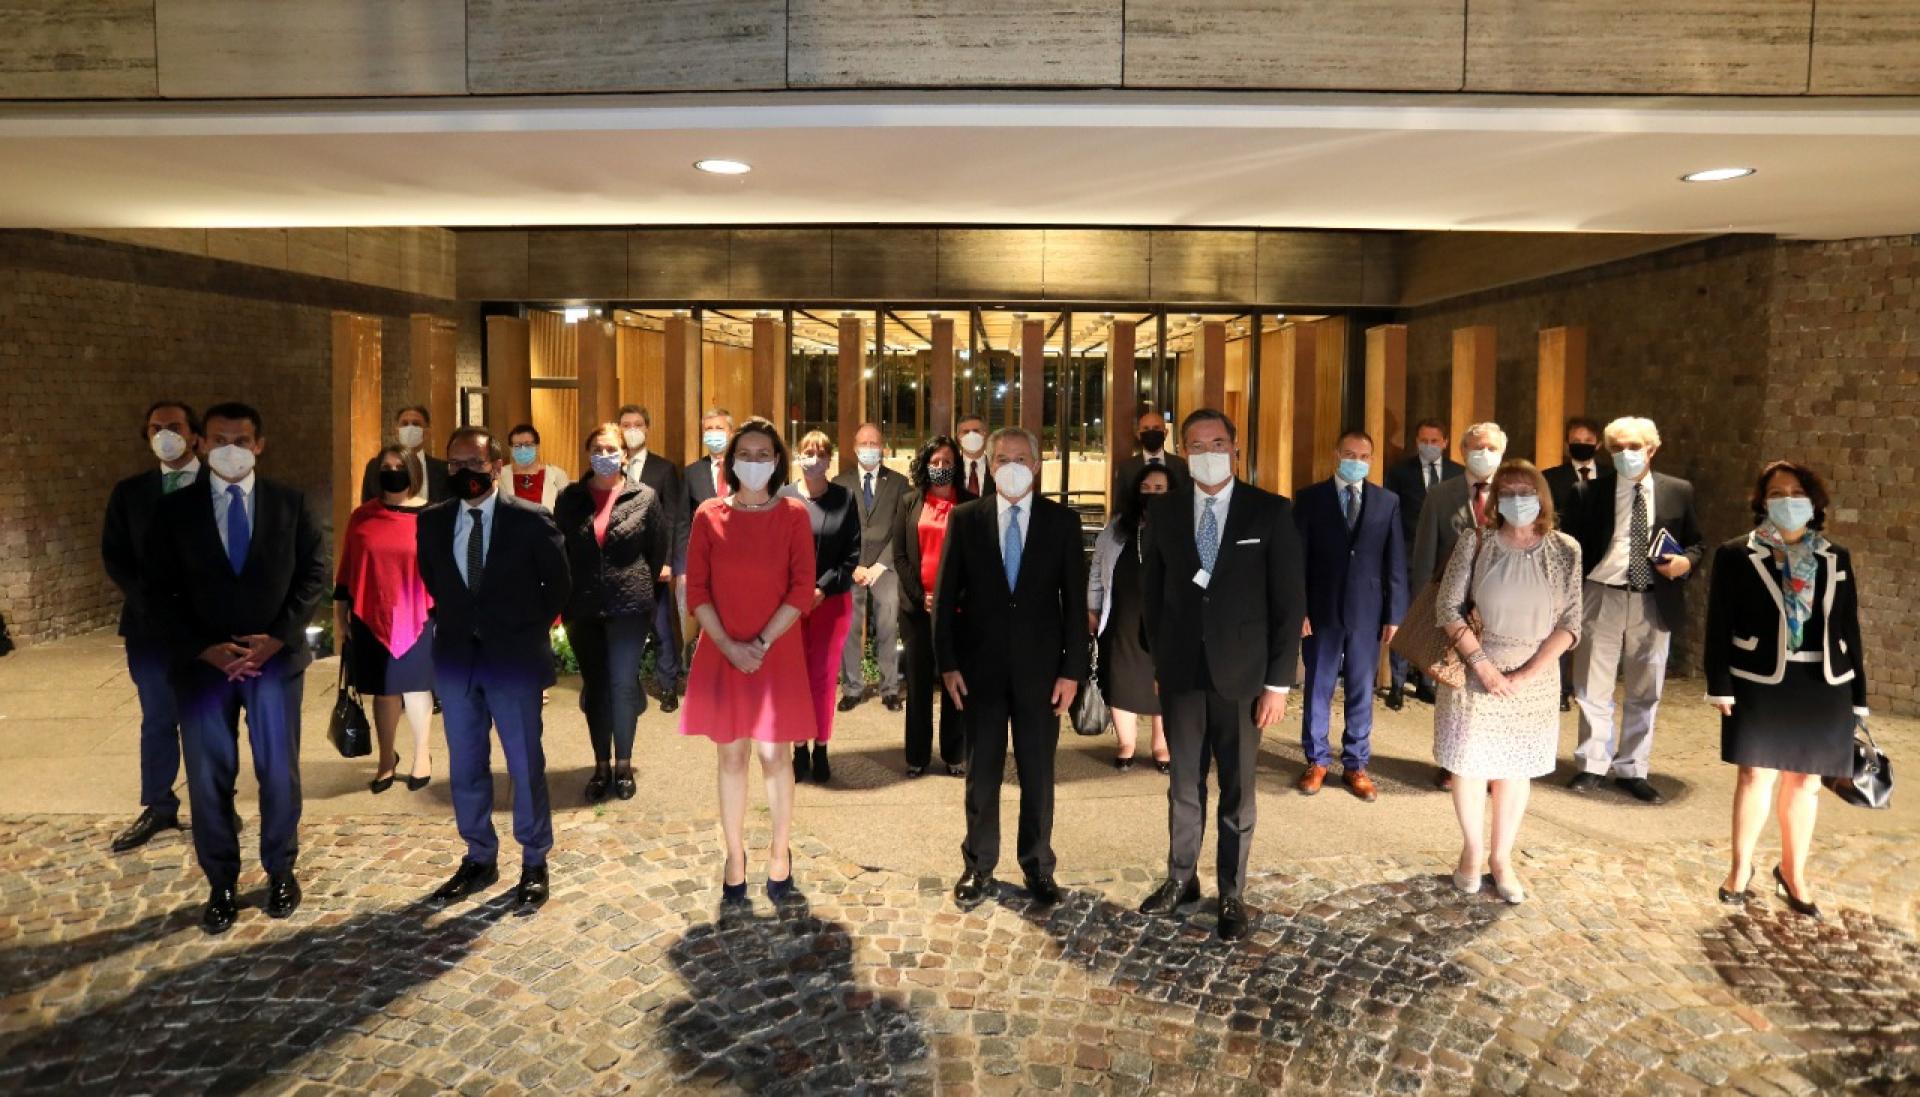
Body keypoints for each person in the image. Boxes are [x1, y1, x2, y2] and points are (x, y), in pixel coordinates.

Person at [145, 402, 327, 934]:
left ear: (259, 445)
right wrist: (201, 647)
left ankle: (280, 870)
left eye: (242, 440)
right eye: (220, 440)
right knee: (207, 776)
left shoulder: (290, 504)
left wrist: (279, 637)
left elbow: (314, 573)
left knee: (278, 771)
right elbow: (157, 591)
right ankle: (221, 880)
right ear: (201, 444)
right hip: (204, 667)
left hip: (273, 661)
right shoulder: (174, 512)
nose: (231, 450)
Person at [1137, 408, 1305, 942]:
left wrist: (1278, 683)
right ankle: (1180, 878)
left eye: (1216, 443)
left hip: (1245, 678)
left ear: (1235, 446)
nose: (1207, 453)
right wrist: (1160, 662)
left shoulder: (1270, 511)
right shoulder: (1163, 512)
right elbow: (1151, 596)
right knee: (1183, 783)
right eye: (1196, 445)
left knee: (1237, 786)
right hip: (1182, 673)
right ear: (1182, 452)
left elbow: (1289, 604)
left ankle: (1232, 891)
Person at [416, 426, 570, 916]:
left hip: (514, 660)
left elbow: (558, 587)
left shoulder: (531, 519)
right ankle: (479, 856)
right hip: (458, 660)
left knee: (524, 764)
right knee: (465, 765)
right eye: (455, 464)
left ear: (497, 467)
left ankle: (534, 860)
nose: (465, 472)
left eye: (475, 464)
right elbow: (433, 579)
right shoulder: (432, 522)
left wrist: (521, 631)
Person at [1706, 461, 1865, 921]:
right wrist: (1720, 685)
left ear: (1814, 501)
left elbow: (1849, 626)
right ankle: (1740, 869)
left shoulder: (1836, 556)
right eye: (1777, 493)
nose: (1788, 500)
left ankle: (1793, 872)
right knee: (1754, 776)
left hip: (1824, 684)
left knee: (1806, 782)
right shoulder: (1736, 554)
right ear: (1762, 501)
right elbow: (1719, 623)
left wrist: (1860, 696)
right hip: (1758, 679)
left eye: (1797, 492)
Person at [938, 427, 1089, 908]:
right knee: (981, 774)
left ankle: (1038, 865)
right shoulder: (966, 519)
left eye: (1022, 458)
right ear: (990, 465)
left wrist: (1072, 671)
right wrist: (947, 664)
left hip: (1042, 675)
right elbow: (945, 597)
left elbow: (1075, 603)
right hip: (978, 673)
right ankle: (978, 866)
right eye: (1003, 459)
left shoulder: (1062, 523)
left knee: (1038, 773)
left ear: (1037, 465)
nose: (1012, 466)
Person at [678, 417, 817, 905]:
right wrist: (730, 645)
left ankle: (779, 850)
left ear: (777, 462)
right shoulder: (708, 515)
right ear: (731, 461)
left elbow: (802, 588)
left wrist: (758, 642)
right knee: (732, 755)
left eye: (763, 455)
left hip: (776, 653)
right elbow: (697, 591)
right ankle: (734, 854)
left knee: (775, 756)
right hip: (723, 651)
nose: (754, 462)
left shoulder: (794, 514)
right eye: (745, 454)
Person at [1434, 460, 1582, 905]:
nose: (1518, 499)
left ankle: (1502, 858)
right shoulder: (1475, 541)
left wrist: (1528, 673)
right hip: (1476, 668)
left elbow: (1571, 622)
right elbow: (1447, 608)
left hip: (1535, 675)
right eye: (1509, 491)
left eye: (1526, 491)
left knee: (1516, 770)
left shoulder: (1566, 550)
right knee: (1470, 765)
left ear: (1542, 497)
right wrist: (1483, 667)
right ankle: (1472, 850)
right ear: (1496, 498)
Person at [1565, 416, 1704, 804]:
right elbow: (1569, 547)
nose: (1625, 454)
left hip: (1653, 598)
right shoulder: (1587, 492)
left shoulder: (1678, 491)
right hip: (1601, 593)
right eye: (1617, 448)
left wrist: (1686, 563)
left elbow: (1696, 543)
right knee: (1592, 685)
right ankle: (1592, 764)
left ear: (1652, 449)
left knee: (1646, 686)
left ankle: (1633, 768)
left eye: (1633, 447)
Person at [101, 400, 203, 852]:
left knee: (208, 718)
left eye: (174, 426)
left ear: (195, 434)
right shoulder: (130, 494)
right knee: (158, 717)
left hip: (207, 628)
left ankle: (214, 802)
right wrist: (151, 603)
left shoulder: (221, 485)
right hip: (150, 629)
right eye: (156, 428)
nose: (166, 435)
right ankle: (160, 805)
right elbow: (116, 556)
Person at [554, 424, 672, 804]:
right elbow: (560, 551)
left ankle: (623, 765)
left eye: (611, 448)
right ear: (588, 454)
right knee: (597, 686)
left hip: (630, 606)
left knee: (622, 684)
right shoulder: (570, 498)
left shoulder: (644, 497)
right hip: (582, 606)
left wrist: (639, 586)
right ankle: (601, 765)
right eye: (597, 448)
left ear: (624, 454)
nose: (604, 455)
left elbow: (656, 551)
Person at [1292, 430, 1408, 802]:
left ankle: (1356, 764)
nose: (1356, 461)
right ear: (1336, 454)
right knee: (1318, 686)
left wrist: (1395, 614)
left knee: (1361, 688)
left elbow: (1395, 562)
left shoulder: (1387, 502)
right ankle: (1316, 760)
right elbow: (1297, 560)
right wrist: (1298, 609)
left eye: (1363, 456)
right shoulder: (1310, 499)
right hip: (1321, 609)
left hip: (1367, 612)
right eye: (1349, 454)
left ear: (1371, 459)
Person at [1410, 421, 1507, 791]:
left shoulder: (1514, 493)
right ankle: (1453, 763)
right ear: (1464, 450)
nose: (1484, 454)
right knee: (1454, 691)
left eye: (1492, 448)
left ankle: (1494, 765)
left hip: (1500, 609)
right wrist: (1423, 606)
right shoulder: (1440, 495)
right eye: (1477, 447)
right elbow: (1424, 555)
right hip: (1452, 607)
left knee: (1495, 689)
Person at [334, 444, 436, 795]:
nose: (393, 473)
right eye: (386, 468)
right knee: (385, 689)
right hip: (372, 612)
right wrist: (340, 618)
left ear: (412, 471)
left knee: (417, 686)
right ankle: (385, 758)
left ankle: (422, 755)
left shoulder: (432, 514)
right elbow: (347, 569)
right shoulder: (362, 516)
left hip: (420, 613)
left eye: (399, 466)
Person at [780, 431, 862, 783]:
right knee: (794, 679)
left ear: (830, 459)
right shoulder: (782, 498)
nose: (813, 458)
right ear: (797, 456)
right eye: (807, 452)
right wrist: (799, 591)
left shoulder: (844, 498)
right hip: (789, 605)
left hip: (832, 602)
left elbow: (852, 553)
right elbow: (774, 553)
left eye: (820, 453)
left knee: (824, 679)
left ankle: (822, 747)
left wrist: (821, 588)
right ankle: (799, 748)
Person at [892, 435, 976, 777]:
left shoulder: (970, 504)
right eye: (935, 462)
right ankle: (917, 756)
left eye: (947, 462)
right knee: (918, 684)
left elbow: (976, 560)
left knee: (956, 683)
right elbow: (900, 555)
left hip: (957, 612)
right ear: (925, 465)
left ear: (956, 466)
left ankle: (955, 754)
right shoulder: (908, 502)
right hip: (917, 611)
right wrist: (920, 596)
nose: (941, 467)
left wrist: (949, 598)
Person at [1088, 464, 1173, 772]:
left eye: (1159, 489)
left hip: (1166, 619)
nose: (1152, 494)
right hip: (1122, 615)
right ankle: (1126, 743)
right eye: (1146, 488)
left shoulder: (1182, 524)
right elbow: (1097, 568)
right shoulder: (1117, 527)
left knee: (1164, 679)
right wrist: (1092, 607)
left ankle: (1162, 744)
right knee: (1121, 678)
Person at [1383, 419, 1462, 709]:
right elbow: (1392, 512)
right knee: (1404, 620)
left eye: (1434, 440)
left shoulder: (1458, 473)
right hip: (1407, 555)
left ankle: (1426, 683)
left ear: (1445, 442)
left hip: (1444, 558)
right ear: (1416, 441)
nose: (1428, 445)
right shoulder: (1400, 472)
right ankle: (1397, 684)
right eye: (1423, 440)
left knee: (1436, 620)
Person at [833, 423, 910, 714]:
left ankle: (889, 689)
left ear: (883, 448)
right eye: (863, 443)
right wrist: (853, 564)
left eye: (873, 443)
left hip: (885, 567)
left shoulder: (899, 483)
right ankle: (852, 688)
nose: (868, 448)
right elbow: (836, 528)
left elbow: (902, 528)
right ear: (854, 448)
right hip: (851, 566)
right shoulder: (840, 483)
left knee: (888, 626)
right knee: (849, 627)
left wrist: (880, 564)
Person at [618, 404, 686, 711]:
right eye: (626, 425)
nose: (632, 430)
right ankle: (625, 688)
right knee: (624, 629)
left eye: (637, 424)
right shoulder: (611, 466)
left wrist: (668, 560)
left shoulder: (664, 469)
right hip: (619, 563)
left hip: (652, 562)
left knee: (660, 627)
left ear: (647, 428)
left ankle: (668, 685)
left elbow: (671, 518)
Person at [1542, 417, 1602, 714]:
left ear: (1598, 444)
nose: (1582, 445)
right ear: (1567, 444)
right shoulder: (1550, 478)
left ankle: (1589, 687)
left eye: (1588, 441)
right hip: (1562, 561)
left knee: (1595, 629)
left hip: (1601, 562)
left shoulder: (1611, 478)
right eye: (1576, 440)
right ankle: (1561, 688)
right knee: (1561, 623)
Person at [360, 404, 450, 504]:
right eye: (405, 424)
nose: (410, 428)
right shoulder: (375, 466)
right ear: (396, 432)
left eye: (416, 424)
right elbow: (367, 505)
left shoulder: (443, 469)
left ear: (427, 432)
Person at [1109, 406, 1192, 504]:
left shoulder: (1180, 465)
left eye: (1156, 428)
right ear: (1138, 434)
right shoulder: (1126, 468)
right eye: (1146, 428)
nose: (1151, 432)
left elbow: (1186, 500)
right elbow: (1120, 505)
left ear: (1165, 433)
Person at [498, 423, 569, 512]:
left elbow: (568, 509)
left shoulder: (558, 475)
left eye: (527, 445)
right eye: (517, 446)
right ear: (511, 449)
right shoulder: (500, 475)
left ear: (537, 446)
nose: (523, 449)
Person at [955, 414, 994, 498]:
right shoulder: (951, 466)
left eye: (976, 431)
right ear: (958, 437)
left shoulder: (996, 465)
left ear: (985, 434)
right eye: (966, 432)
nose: (971, 435)